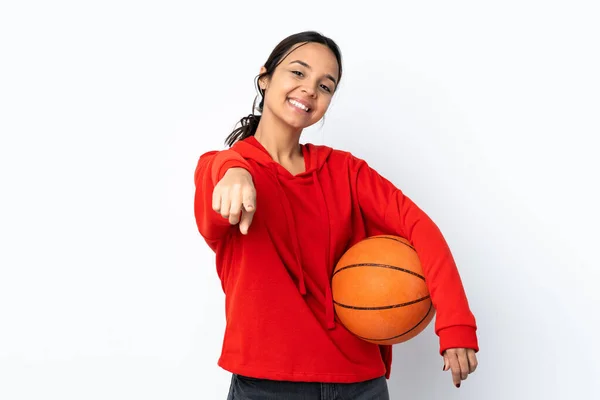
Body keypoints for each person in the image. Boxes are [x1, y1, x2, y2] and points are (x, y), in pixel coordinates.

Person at [194, 31, 479, 399]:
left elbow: (419, 228)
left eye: (325, 86)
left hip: (360, 383)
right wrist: (234, 171)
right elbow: (219, 175)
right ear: (265, 77)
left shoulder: (345, 171)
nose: (310, 90)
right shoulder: (220, 170)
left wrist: (455, 323)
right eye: (298, 73)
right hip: (268, 384)